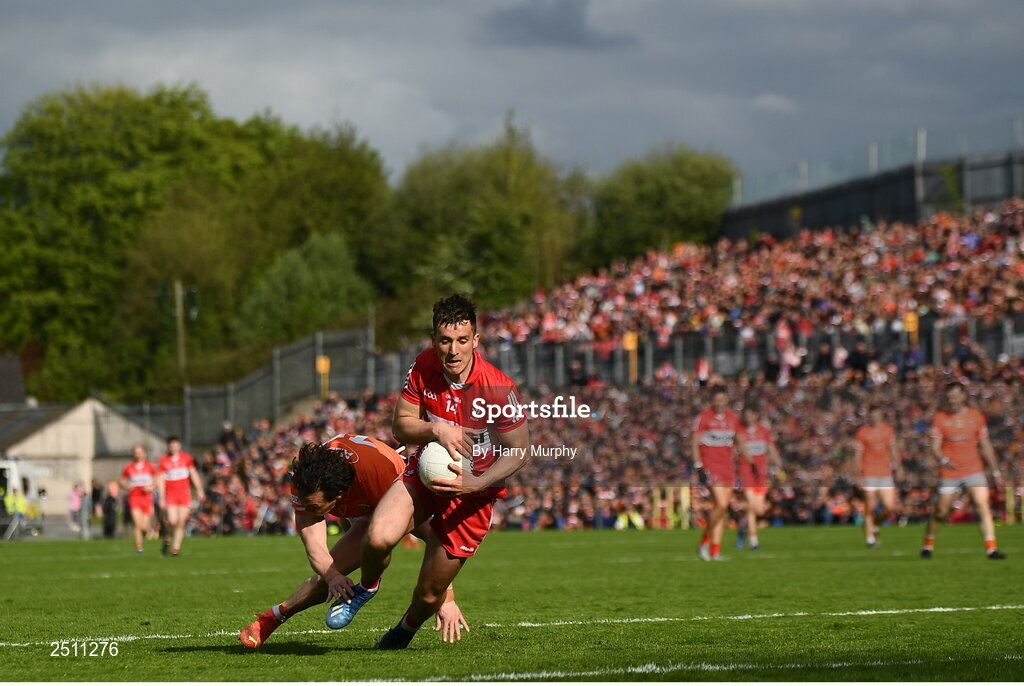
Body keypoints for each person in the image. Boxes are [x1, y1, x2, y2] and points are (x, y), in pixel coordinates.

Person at [324, 294, 531, 650]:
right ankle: (368, 587)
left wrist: (476, 482)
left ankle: (403, 631)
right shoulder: (423, 365)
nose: (453, 350)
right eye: (445, 341)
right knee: (377, 538)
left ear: (476, 340)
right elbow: (401, 427)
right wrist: (437, 430)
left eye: (462, 340)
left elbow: (520, 451)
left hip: (472, 498)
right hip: (422, 477)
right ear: (434, 341)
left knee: (430, 592)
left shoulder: (497, 387)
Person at [239, 435, 469, 649]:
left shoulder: (380, 476)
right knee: (328, 576)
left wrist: (446, 597)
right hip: (362, 492)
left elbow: (436, 535)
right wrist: (333, 577)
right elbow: (314, 545)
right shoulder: (305, 478)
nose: (308, 510)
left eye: (315, 507)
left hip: (387, 489)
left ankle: (370, 585)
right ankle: (272, 618)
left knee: (377, 541)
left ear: (339, 495)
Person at [921, 382, 1005, 560]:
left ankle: (991, 549)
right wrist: (944, 460)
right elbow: (934, 448)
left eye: (955, 396)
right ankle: (928, 545)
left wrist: (996, 472)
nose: (952, 400)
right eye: (949, 397)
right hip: (950, 472)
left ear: (963, 396)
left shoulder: (976, 417)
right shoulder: (940, 418)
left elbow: (986, 446)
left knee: (982, 506)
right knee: (941, 511)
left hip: (973, 469)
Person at [692, 387, 751, 561]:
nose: (719, 403)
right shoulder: (703, 417)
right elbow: (694, 443)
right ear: (712, 401)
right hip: (711, 466)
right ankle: (703, 543)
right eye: (716, 400)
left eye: (722, 399)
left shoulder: (733, 418)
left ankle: (714, 551)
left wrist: (752, 463)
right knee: (722, 504)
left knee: (721, 509)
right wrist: (698, 466)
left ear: (727, 400)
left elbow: (740, 442)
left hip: (727, 468)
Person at [851, 406, 901, 547]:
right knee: (870, 507)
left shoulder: (888, 430)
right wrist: (858, 474)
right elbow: (857, 456)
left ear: (881, 416)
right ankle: (870, 538)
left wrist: (900, 467)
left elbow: (894, 450)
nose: (875, 418)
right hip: (869, 473)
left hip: (885, 473)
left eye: (877, 415)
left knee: (889, 507)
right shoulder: (862, 432)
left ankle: (875, 525)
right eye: (872, 415)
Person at [736, 404, 780, 551]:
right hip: (746, 470)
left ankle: (742, 529)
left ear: (756, 415)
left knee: (758, 510)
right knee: (751, 504)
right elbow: (741, 448)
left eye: (751, 414)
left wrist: (778, 464)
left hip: (761, 472)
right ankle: (754, 543)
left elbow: (771, 447)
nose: (748, 417)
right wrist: (751, 462)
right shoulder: (740, 430)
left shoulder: (763, 430)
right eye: (746, 414)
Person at [156, 436, 205, 556]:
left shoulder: (186, 458)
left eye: (176, 445)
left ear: (179, 446)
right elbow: (161, 480)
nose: (174, 448)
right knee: (172, 521)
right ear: (168, 446)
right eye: (171, 446)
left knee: (181, 522)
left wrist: (199, 490)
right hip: (170, 494)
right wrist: (161, 497)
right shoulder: (163, 460)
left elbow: (193, 474)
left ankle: (175, 549)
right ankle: (168, 536)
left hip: (184, 494)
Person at [121, 444, 157, 554]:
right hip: (134, 497)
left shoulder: (150, 466)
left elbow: (157, 480)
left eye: (140, 452)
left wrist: (151, 487)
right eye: (136, 452)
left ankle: (152, 531)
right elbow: (122, 481)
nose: (138, 455)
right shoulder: (128, 467)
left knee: (144, 526)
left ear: (144, 454)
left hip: (146, 497)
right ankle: (139, 547)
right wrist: (126, 487)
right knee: (137, 523)